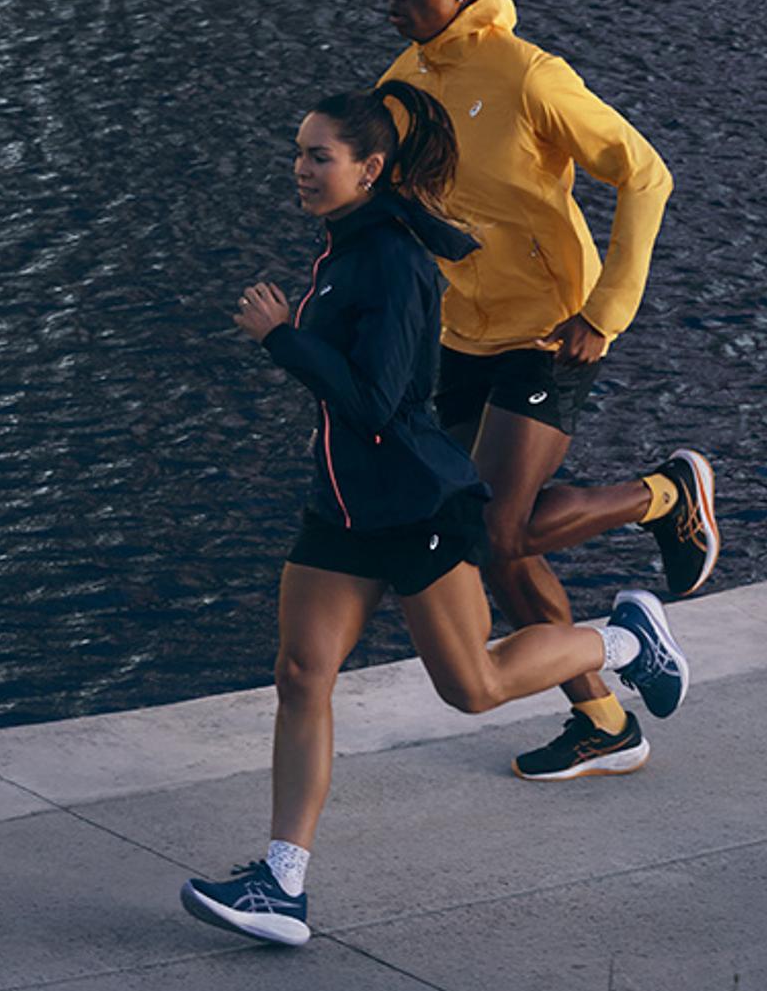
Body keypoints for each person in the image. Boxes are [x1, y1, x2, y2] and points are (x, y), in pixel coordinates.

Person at [179, 82, 690, 948]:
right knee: (302, 673)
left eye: (319, 156)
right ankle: (282, 884)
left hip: (415, 500)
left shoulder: (391, 261)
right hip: (340, 506)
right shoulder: (345, 245)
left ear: (369, 168)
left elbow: (380, 401)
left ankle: (628, 642)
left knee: (474, 686)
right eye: (299, 152)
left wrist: (282, 340)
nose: (301, 168)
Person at [377, 0, 720, 783]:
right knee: (483, 533)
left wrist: (606, 310)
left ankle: (666, 493)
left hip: (550, 329)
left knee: (502, 525)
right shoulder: (400, 84)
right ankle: (606, 721)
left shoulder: (529, 75)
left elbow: (645, 172)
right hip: (464, 334)